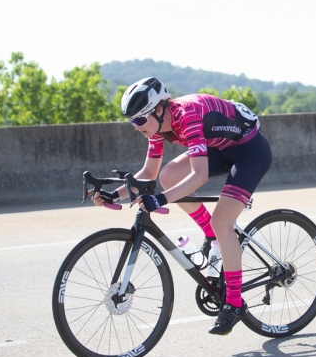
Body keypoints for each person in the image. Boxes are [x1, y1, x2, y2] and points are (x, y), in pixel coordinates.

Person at [91, 77, 272, 335]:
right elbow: (149, 173)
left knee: (222, 221)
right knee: (168, 175)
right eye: (132, 122)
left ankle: (234, 302)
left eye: (139, 120)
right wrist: (113, 195)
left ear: (159, 109)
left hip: (250, 151)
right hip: (220, 148)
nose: (136, 127)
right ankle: (212, 237)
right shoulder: (157, 127)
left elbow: (200, 176)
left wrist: (161, 200)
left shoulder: (187, 115)